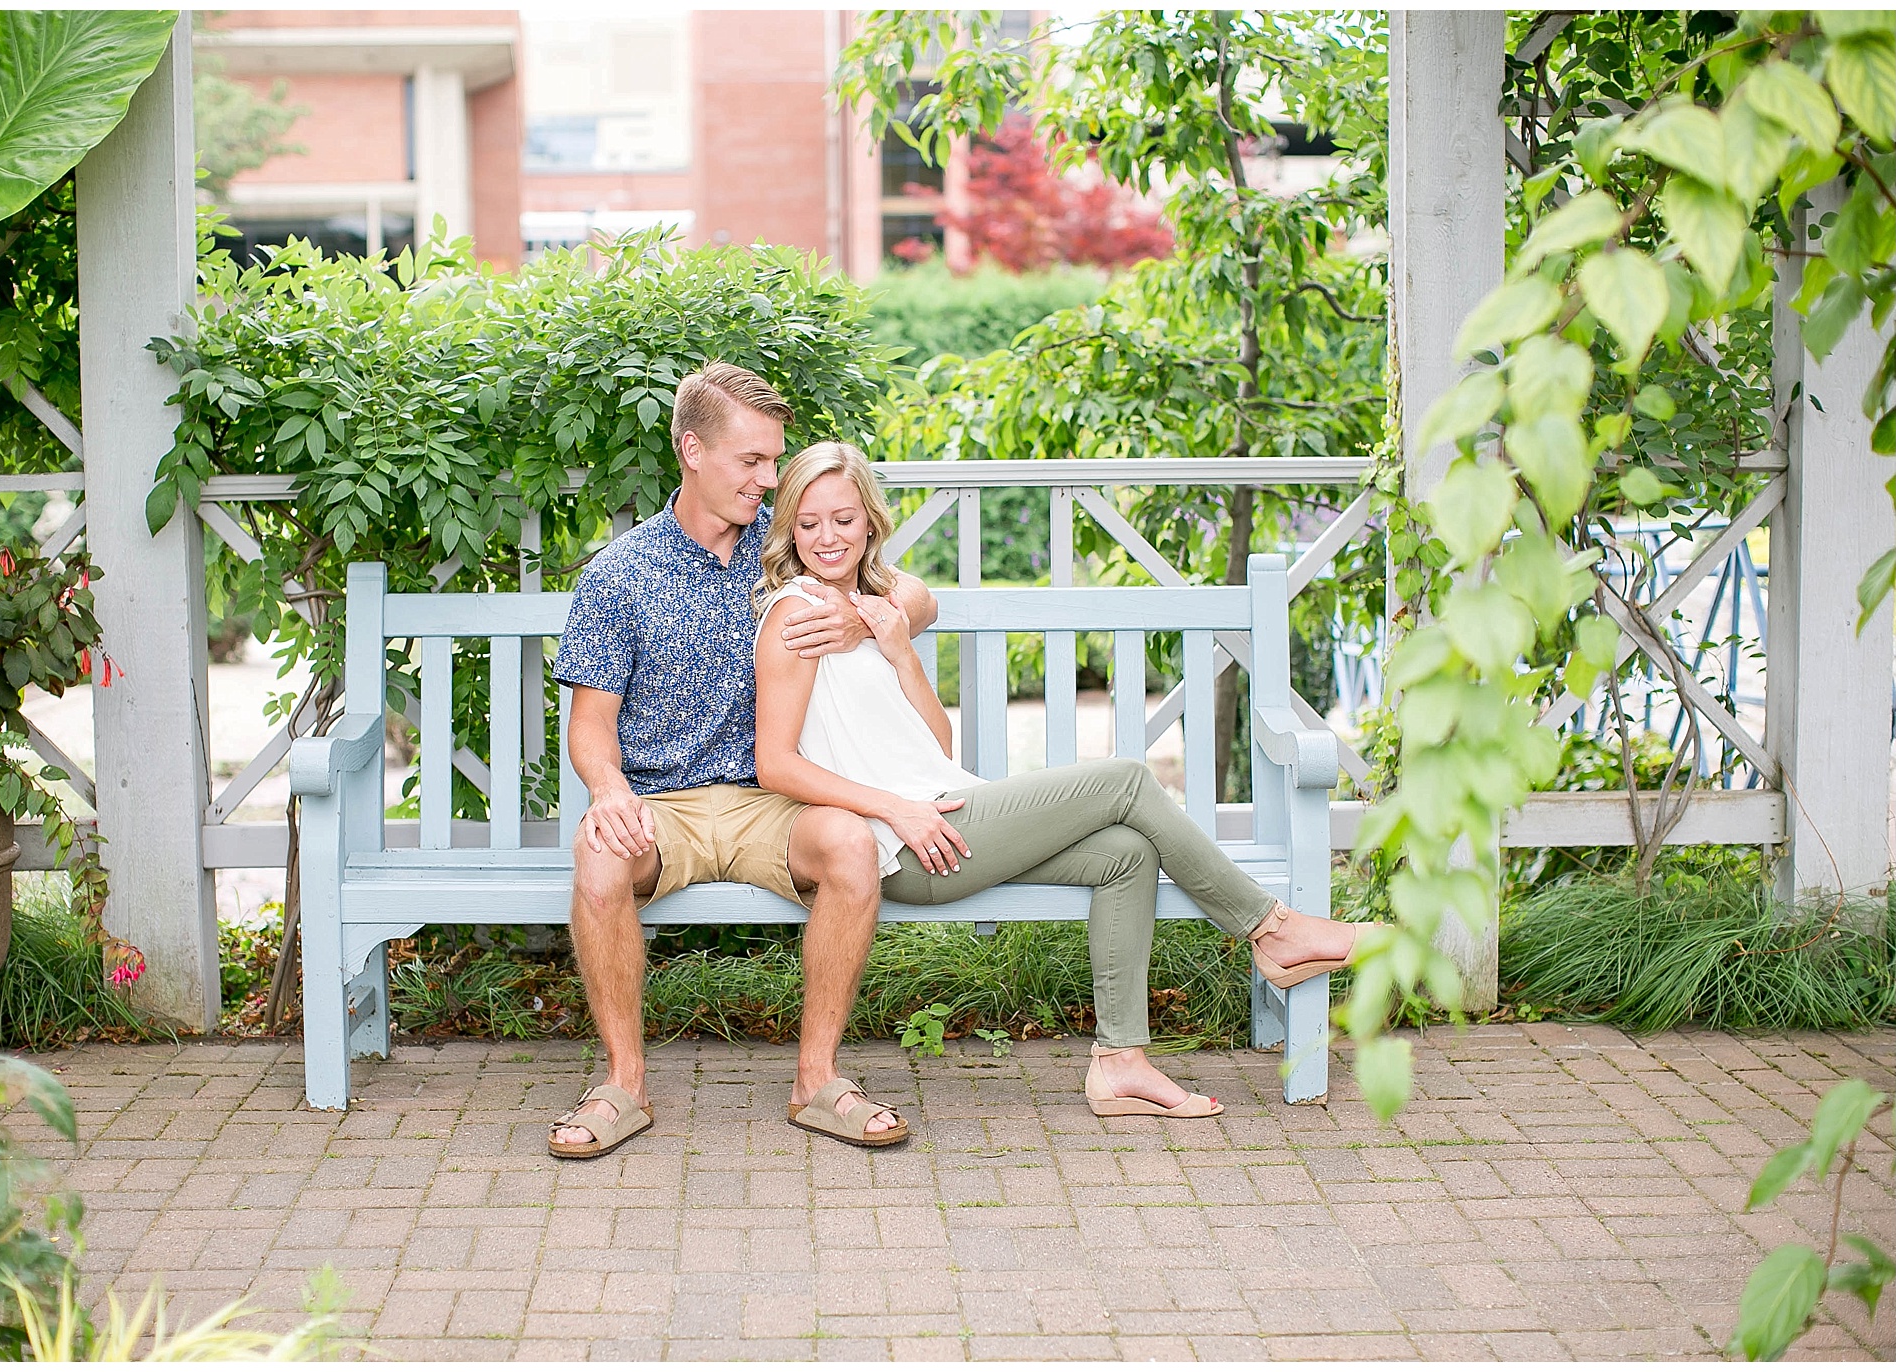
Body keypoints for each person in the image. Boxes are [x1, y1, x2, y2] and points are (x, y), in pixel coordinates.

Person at [752, 442, 1374, 1116]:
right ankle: (1271, 929)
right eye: (808, 523)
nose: (827, 537)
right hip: (905, 842)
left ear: (869, 521)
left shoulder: (874, 609)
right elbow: (775, 762)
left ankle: (1121, 1064)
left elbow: (935, 744)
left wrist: (900, 650)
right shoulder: (797, 614)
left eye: (842, 519)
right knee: (1127, 781)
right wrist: (894, 810)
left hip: (943, 810)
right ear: (788, 528)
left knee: (1126, 856)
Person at [548, 364, 939, 1160]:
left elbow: (919, 595)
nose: (769, 480)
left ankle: (817, 1082)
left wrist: (867, 625)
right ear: (692, 450)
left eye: (774, 461)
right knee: (597, 856)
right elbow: (590, 723)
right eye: (751, 462)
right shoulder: (619, 575)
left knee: (853, 845)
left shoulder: (789, 558)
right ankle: (624, 1086)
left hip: (776, 802)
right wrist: (608, 789)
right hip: (666, 807)